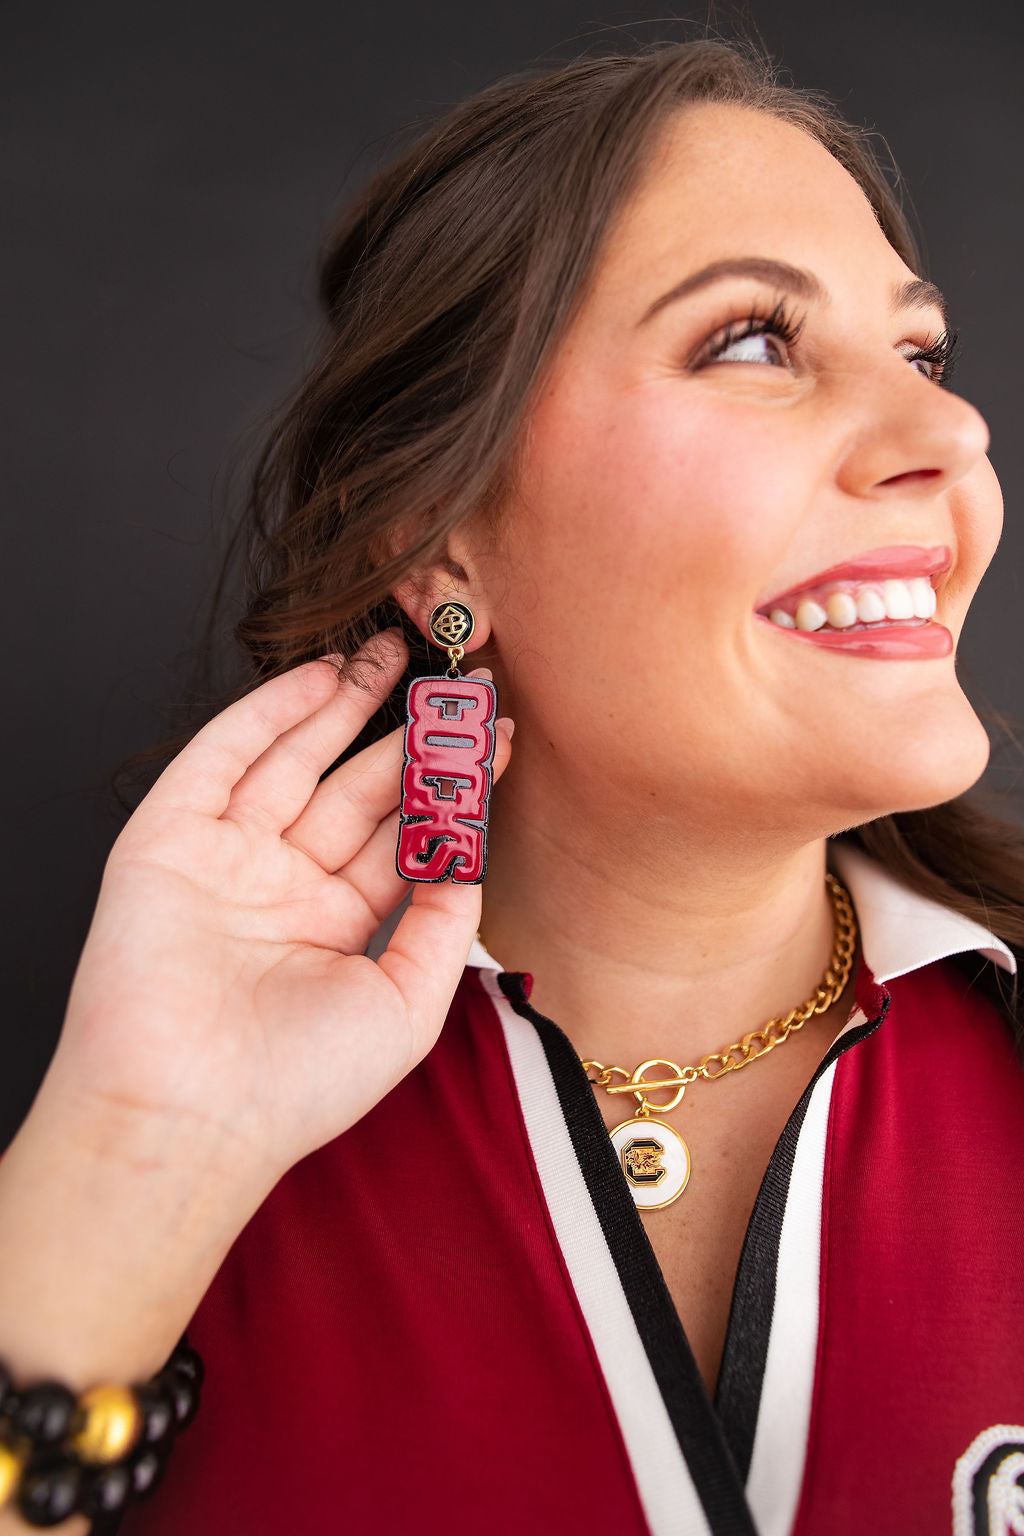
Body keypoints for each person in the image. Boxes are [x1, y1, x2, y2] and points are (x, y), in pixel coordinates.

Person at [1, 32, 1023, 1536]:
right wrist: (132, 1159)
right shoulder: (203, 1120)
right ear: (440, 540)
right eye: (752, 341)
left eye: (923, 354)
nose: (953, 432)